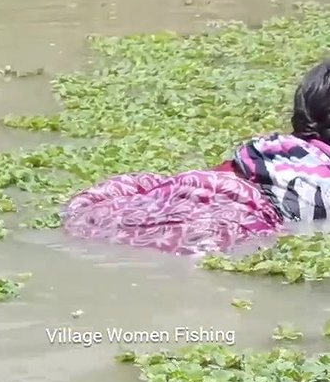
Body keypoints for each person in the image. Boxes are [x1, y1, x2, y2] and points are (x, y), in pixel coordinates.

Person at [62, 58, 330, 254]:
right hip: (236, 219)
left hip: (192, 188)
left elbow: (217, 181)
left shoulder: (269, 148)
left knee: (108, 214)